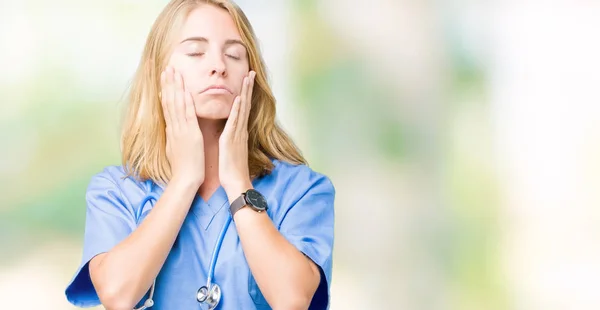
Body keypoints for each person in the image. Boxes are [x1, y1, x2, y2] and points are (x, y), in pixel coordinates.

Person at [63, 0, 335, 309]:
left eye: (234, 54)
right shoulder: (115, 191)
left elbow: (293, 299)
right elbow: (117, 293)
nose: (218, 65)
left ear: (251, 75)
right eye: (195, 52)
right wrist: (184, 181)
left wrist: (238, 184)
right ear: (158, 72)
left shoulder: (304, 190)